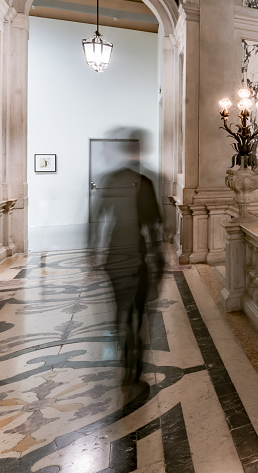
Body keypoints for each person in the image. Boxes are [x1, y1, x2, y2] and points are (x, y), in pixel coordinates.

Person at [89, 131, 164, 386]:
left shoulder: (110, 180)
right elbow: (153, 227)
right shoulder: (144, 182)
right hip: (137, 255)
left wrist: (92, 253)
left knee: (122, 308)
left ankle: (127, 350)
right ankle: (135, 355)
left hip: (115, 255)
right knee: (139, 310)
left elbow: (97, 217)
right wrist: (158, 256)